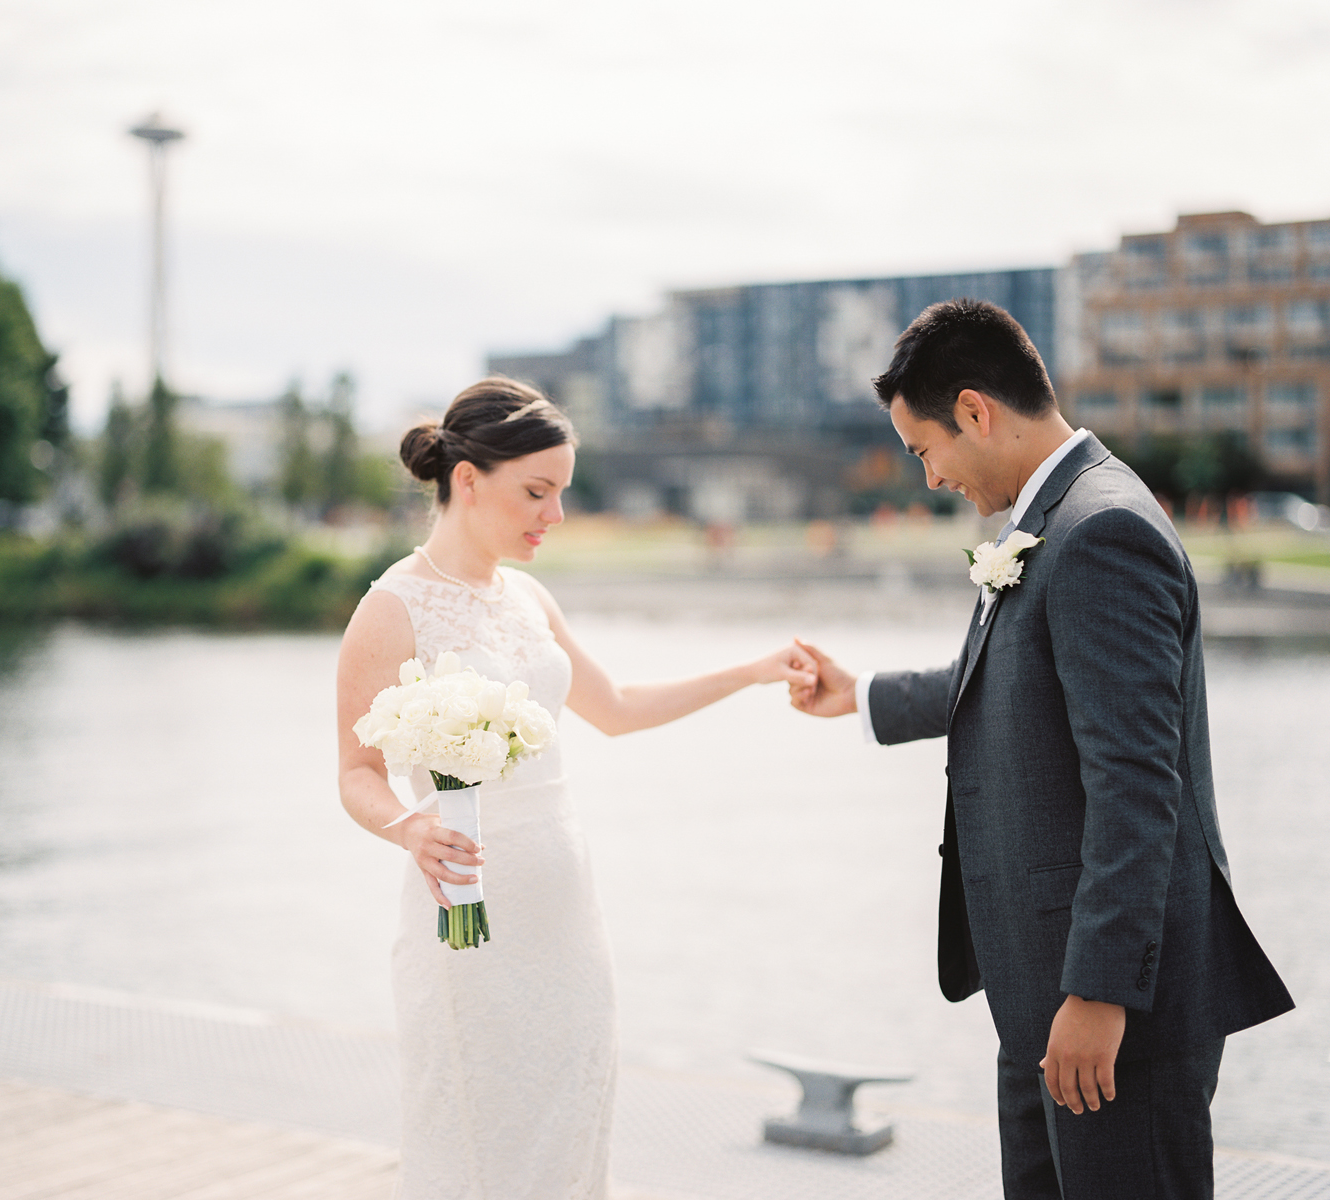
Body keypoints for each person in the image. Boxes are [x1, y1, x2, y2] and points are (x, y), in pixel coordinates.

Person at [791, 299, 1293, 1200]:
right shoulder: (1051, 519)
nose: (931, 477)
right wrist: (859, 695)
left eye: (924, 450)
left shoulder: (1102, 532)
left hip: (1108, 1011)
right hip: (1040, 997)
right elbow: (1008, 682)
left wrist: (1099, 996)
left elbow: (1138, 784)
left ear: (975, 410)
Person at [336, 376, 814, 1199]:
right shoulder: (391, 608)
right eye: (536, 492)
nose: (553, 516)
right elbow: (356, 773)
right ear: (467, 479)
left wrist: (752, 671)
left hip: (563, 914)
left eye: (559, 493)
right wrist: (409, 828)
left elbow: (618, 709)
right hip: (464, 911)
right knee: (479, 1127)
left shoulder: (529, 598)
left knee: (571, 1116)